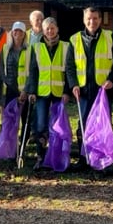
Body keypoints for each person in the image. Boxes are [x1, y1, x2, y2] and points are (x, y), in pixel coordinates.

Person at [66, 7, 113, 172]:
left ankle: (106, 161)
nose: (92, 22)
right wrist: (73, 84)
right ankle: (84, 159)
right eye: (89, 19)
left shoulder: (110, 37)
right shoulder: (74, 39)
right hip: (83, 92)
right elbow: (70, 66)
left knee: (104, 126)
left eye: (96, 18)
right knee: (83, 126)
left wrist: (112, 80)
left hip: (103, 91)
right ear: (84, 20)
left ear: (100, 19)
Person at [25, 17, 70, 170]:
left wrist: (67, 91)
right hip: (42, 93)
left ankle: (56, 156)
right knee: (40, 125)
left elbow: (70, 70)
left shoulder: (66, 47)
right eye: (47, 29)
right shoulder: (36, 47)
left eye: (52, 28)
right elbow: (33, 71)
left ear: (57, 29)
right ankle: (40, 156)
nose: (50, 31)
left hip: (59, 92)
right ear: (43, 31)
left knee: (58, 127)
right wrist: (31, 91)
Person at [0, 21, 30, 147]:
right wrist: (9, 83)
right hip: (10, 90)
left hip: (24, 91)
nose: (17, 33)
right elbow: (1, 69)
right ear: (12, 33)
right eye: (15, 31)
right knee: (10, 119)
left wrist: (25, 90)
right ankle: (10, 144)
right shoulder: (5, 49)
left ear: (24, 34)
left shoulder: (30, 50)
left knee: (25, 119)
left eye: (20, 31)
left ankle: (23, 143)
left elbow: (32, 71)